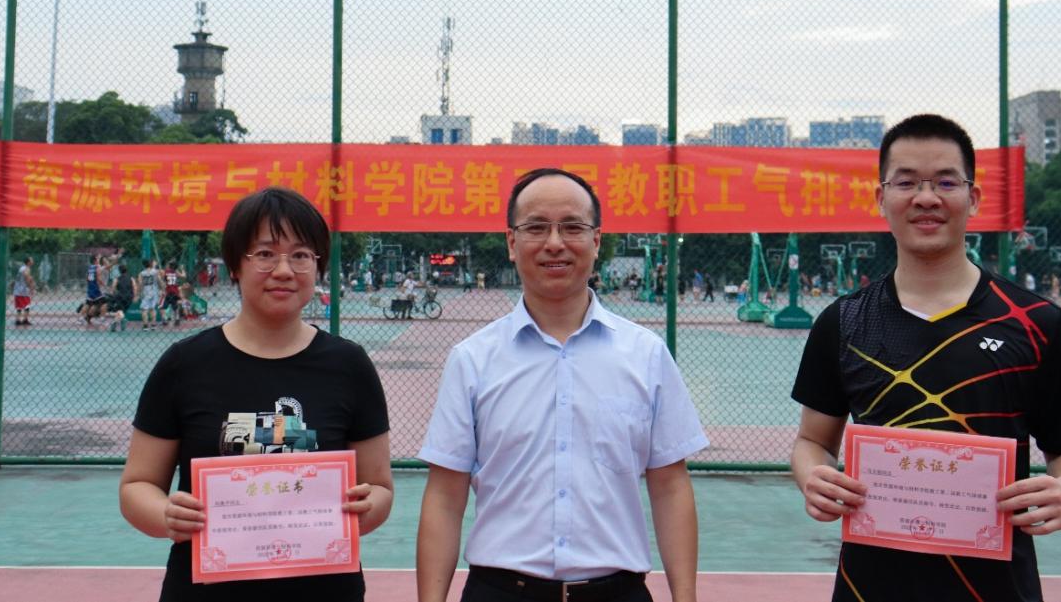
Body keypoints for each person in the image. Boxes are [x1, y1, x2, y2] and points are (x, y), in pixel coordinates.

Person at [789, 114, 1061, 602]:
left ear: (973, 198)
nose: (926, 198)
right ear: (881, 198)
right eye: (906, 182)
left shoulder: (1036, 322)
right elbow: (812, 441)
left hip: (999, 589)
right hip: (869, 587)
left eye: (946, 182)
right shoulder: (842, 322)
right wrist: (813, 477)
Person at [416, 168, 708, 602]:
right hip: (501, 591)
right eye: (536, 227)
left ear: (597, 241)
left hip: (617, 592)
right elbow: (445, 496)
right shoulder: (472, 360)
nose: (555, 243)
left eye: (572, 227)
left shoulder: (646, 355)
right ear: (512, 243)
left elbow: (670, 486)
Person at [119, 186, 392, 601]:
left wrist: (368, 507)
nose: (284, 270)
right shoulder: (184, 364)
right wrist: (165, 514)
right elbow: (137, 485)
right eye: (265, 254)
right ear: (235, 265)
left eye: (301, 255)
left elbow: (380, 488)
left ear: (318, 266)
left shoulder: (349, 365)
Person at [105, 264, 137, 332]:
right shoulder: (131, 278)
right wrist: (135, 296)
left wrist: (113, 293)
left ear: (119, 271)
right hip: (129, 296)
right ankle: (121, 321)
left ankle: (117, 321)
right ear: (126, 270)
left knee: (120, 310)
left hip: (120, 296)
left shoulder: (117, 278)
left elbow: (113, 287)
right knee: (121, 311)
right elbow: (134, 287)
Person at [138, 259, 163, 331]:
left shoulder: (141, 273)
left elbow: (140, 284)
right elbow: (159, 281)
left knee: (144, 309)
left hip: (146, 291)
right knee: (152, 308)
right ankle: (153, 325)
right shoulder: (155, 272)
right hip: (154, 291)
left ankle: (145, 326)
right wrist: (162, 289)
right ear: (150, 264)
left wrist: (139, 292)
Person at [161, 260, 185, 326]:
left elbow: (163, 281)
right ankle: (177, 319)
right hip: (175, 292)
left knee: (162, 307)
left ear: (170, 266)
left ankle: (164, 319)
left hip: (168, 292)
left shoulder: (165, 272)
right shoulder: (176, 272)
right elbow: (183, 276)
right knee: (175, 307)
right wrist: (182, 269)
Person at [13, 256, 36, 326]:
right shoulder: (26, 268)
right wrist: (31, 286)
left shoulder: (22, 268)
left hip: (17, 290)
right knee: (27, 305)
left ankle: (18, 320)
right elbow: (26, 277)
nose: (33, 261)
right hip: (23, 290)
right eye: (31, 260)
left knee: (19, 306)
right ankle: (25, 319)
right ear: (28, 262)